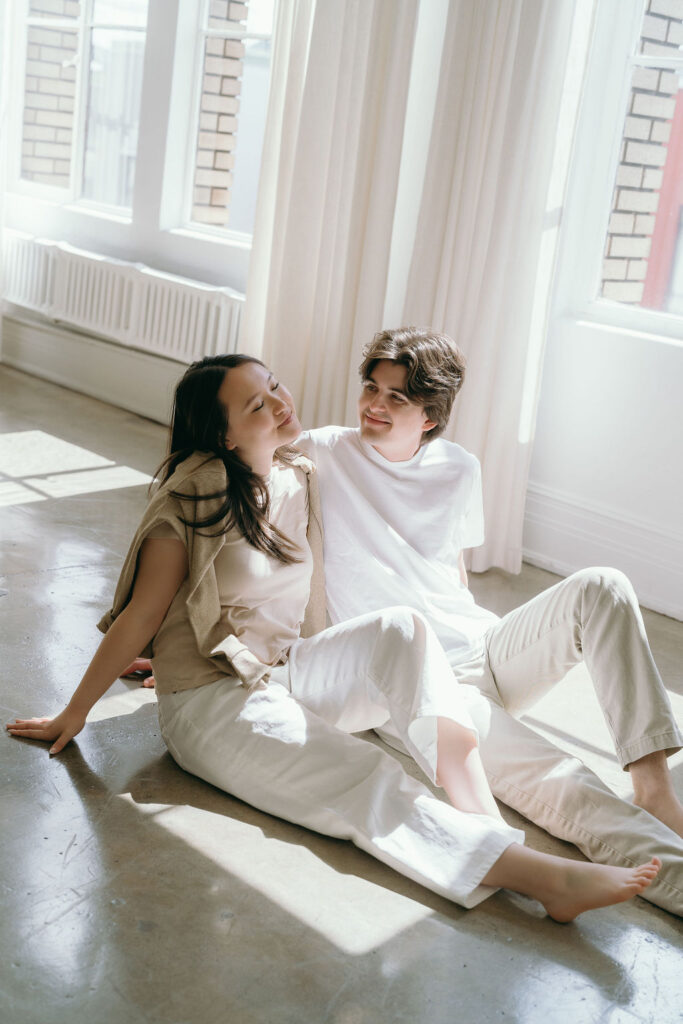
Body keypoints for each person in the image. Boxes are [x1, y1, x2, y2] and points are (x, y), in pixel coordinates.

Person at [5, 354, 660, 922]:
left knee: (403, 629)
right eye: (257, 404)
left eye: (275, 385)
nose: (280, 403)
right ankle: (547, 880)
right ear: (222, 434)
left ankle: (484, 821)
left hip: (289, 672)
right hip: (212, 701)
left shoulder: (299, 474)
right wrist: (75, 711)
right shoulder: (191, 501)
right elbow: (139, 616)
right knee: (363, 777)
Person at [294, 326, 683, 918]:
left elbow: (451, 571)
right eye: (371, 387)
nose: (374, 404)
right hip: (417, 679)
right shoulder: (320, 452)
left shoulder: (458, 468)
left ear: (430, 415)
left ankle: (655, 789)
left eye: (396, 397)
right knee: (565, 780)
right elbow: (216, 505)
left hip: (482, 646)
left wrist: (486, 648)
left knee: (602, 584)